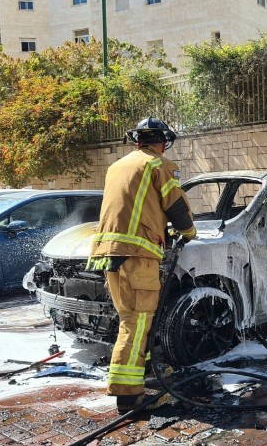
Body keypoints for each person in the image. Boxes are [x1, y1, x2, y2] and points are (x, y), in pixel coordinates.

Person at [87, 116, 196, 414]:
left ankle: (142, 376)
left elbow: (134, 208)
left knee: (131, 320)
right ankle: (128, 395)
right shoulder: (158, 165)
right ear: (162, 142)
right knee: (136, 325)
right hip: (138, 254)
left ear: (137, 141)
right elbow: (176, 206)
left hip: (109, 254)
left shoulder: (116, 167)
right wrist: (188, 233)